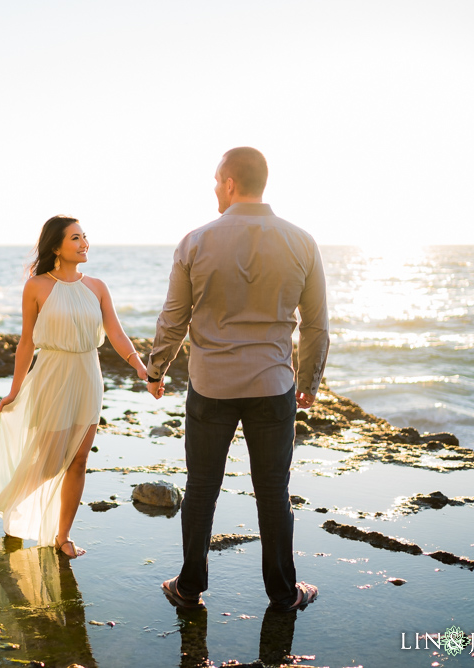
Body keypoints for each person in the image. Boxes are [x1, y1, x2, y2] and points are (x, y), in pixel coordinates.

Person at [147, 147, 329, 612]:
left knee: (202, 486)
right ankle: (284, 593)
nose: (214, 189)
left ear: (229, 182)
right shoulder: (302, 241)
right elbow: (316, 323)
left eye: (215, 180)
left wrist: (156, 368)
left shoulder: (195, 241)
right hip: (273, 385)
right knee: (273, 490)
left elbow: (174, 316)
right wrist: (310, 378)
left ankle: (189, 588)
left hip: (211, 387)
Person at [0, 215, 148, 558]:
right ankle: (11, 498)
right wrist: (14, 389)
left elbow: (115, 332)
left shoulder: (97, 287)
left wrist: (142, 370)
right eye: (75, 238)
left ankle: (63, 535)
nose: (84, 243)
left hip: (89, 374)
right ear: (56, 246)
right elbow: (26, 342)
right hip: (52, 376)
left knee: (79, 460)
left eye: (85, 236)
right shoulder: (37, 286)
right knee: (50, 461)